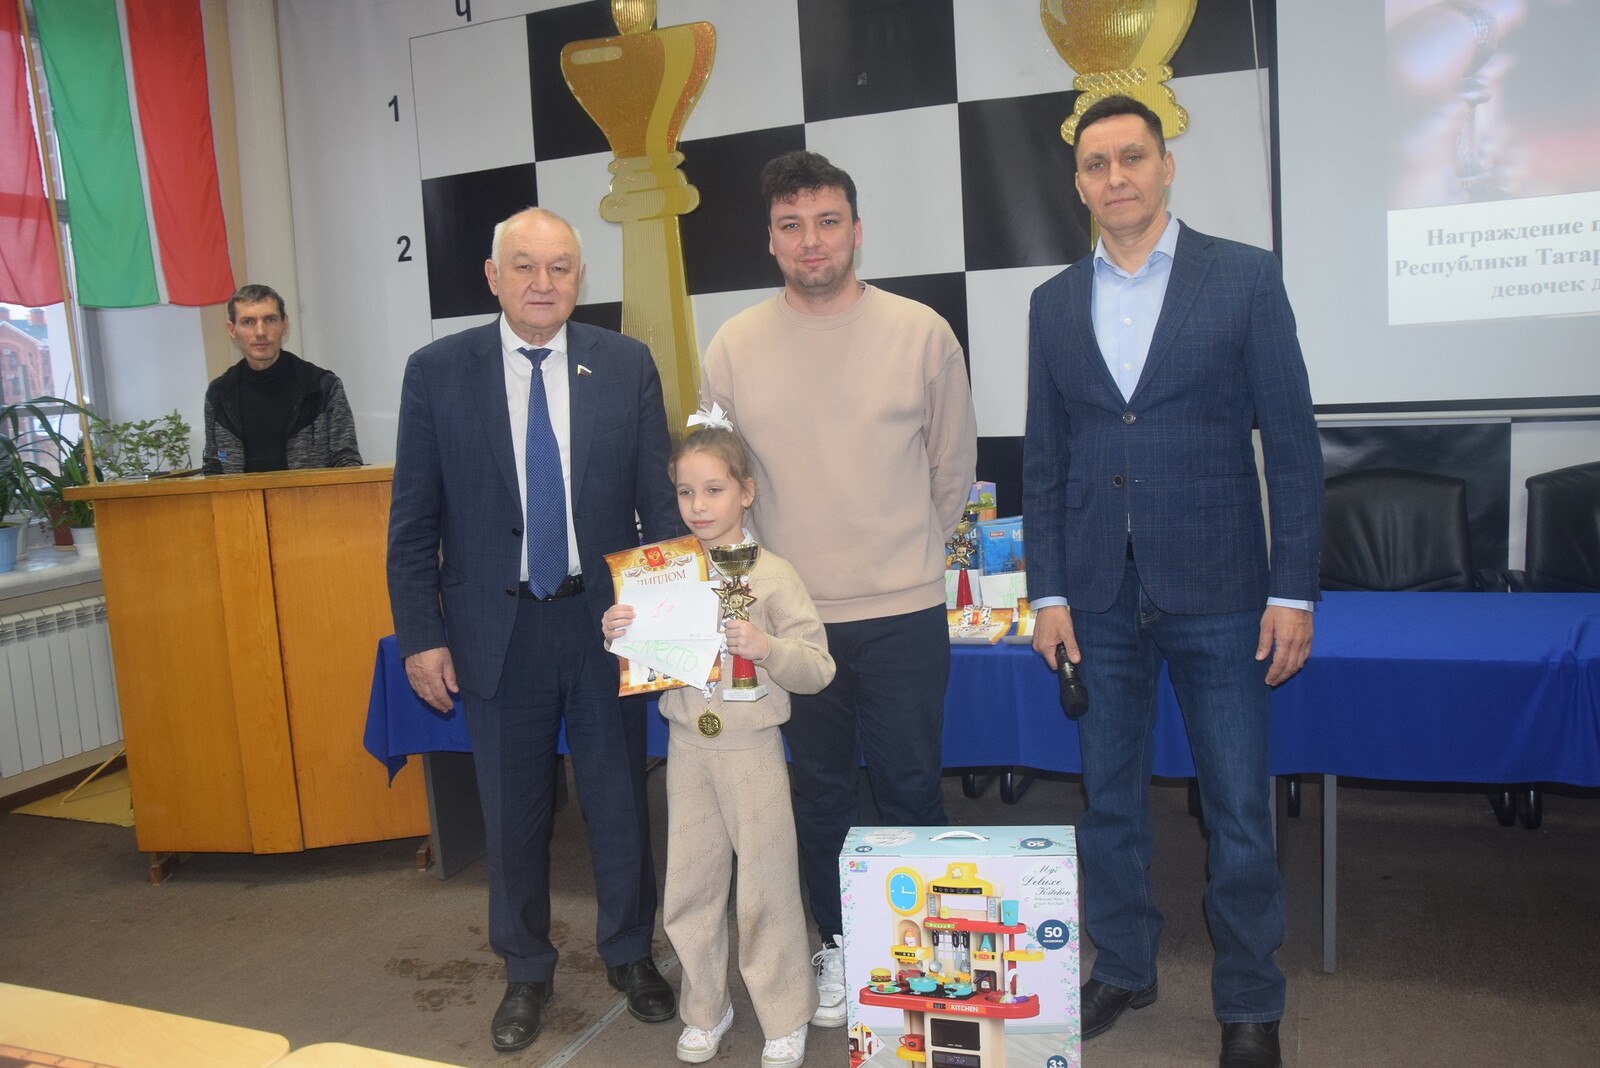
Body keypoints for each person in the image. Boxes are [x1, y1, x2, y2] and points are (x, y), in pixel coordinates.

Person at [1022, 95, 1323, 1068]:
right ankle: (1123, 966)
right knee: (1108, 804)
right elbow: (1046, 460)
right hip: (1097, 601)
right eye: (1095, 163)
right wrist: (1047, 593)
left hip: (1224, 593)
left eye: (1132, 157)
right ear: (1078, 183)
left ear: (1165, 166)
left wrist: (1293, 591)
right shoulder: (1053, 303)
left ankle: (1250, 1001)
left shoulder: (1243, 277)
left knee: (1236, 808)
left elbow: (1292, 447)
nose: (1115, 177)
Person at [387, 207, 682, 1053]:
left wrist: (669, 621)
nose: (542, 283)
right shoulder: (437, 372)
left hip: (606, 624)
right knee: (511, 815)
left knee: (619, 802)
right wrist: (422, 635)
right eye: (524, 266)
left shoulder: (623, 364)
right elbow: (412, 522)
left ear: (579, 278)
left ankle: (630, 952)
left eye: (559, 267)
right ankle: (525, 969)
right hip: (496, 630)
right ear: (493, 276)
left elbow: (659, 504)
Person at [700, 150, 978, 1027]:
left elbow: (951, 472)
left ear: (856, 230)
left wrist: (902, 558)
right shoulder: (733, 345)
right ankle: (838, 947)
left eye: (827, 222)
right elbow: (719, 482)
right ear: (770, 240)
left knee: (910, 791)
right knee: (817, 798)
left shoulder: (922, 332)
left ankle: (925, 957)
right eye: (791, 226)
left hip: (903, 613)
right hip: (793, 626)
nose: (810, 240)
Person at [602, 415, 834, 1068]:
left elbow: (818, 668)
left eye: (714, 490)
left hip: (751, 751)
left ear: (746, 493)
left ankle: (785, 1012)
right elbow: (647, 659)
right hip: (686, 746)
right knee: (690, 886)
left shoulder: (775, 575)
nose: (698, 506)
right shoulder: (662, 574)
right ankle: (706, 1007)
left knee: (767, 887)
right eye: (685, 492)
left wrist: (768, 648)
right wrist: (620, 629)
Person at [202, 283, 362, 474]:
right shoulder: (219, 393)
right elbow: (213, 469)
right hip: (241, 495)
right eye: (248, 322)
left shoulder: (322, 387)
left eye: (270, 320)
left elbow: (347, 462)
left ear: (284, 324)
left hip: (311, 494)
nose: (261, 332)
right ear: (232, 330)